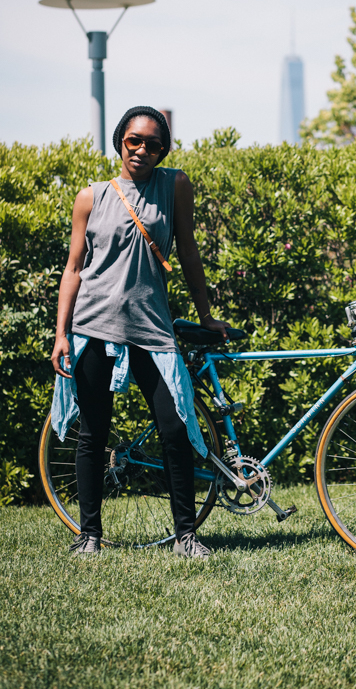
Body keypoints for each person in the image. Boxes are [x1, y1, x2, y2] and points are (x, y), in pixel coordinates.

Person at [51, 106, 229, 557]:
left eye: (152, 143)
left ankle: (185, 536)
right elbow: (73, 269)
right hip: (93, 324)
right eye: (134, 140)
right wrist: (61, 334)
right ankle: (88, 535)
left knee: (175, 428)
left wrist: (206, 316)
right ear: (120, 141)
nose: (142, 150)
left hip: (151, 327)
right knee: (93, 433)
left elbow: (188, 251)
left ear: (162, 149)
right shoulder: (91, 196)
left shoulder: (174, 186)